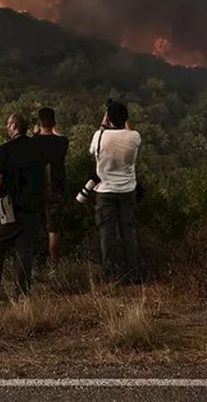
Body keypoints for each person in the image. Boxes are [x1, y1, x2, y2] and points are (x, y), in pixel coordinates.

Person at [0, 113, 50, 301]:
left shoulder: (4, 150)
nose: (6, 127)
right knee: (24, 250)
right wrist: (44, 202)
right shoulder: (38, 150)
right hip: (32, 206)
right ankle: (22, 293)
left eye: (8, 124)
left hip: (8, 207)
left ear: (13, 126)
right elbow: (47, 179)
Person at [89, 100, 142, 284]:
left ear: (108, 118)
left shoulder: (99, 136)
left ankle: (111, 275)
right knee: (129, 231)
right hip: (128, 189)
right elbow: (127, 131)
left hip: (105, 191)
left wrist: (104, 122)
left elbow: (93, 150)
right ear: (126, 118)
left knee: (107, 233)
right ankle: (133, 273)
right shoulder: (134, 136)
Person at [30, 107, 69, 261]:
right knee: (54, 229)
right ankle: (54, 263)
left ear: (39, 123)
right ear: (53, 122)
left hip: (36, 188)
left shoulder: (33, 142)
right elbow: (60, 135)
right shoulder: (62, 142)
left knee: (34, 227)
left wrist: (36, 132)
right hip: (56, 188)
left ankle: (34, 262)